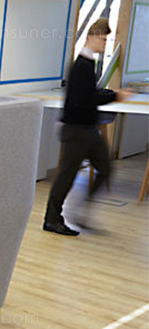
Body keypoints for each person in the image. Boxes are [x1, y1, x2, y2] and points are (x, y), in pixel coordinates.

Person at [43, 18, 132, 236]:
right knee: (66, 177)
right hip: (76, 131)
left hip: (87, 130)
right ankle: (52, 219)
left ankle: (80, 211)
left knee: (105, 168)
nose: (104, 44)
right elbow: (84, 100)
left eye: (106, 40)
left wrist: (111, 94)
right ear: (90, 38)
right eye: (102, 39)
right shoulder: (81, 66)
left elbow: (89, 93)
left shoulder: (88, 63)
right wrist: (115, 96)